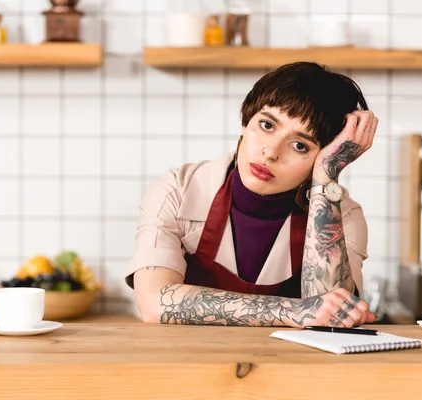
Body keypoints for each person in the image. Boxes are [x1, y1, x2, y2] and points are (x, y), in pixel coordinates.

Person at [125, 62, 379, 328]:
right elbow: (154, 303)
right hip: (185, 363)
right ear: (246, 123)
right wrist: (294, 310)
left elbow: (333, 322)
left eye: (300, 145)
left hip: (291, 367)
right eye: (267, 125)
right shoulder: (178, 190)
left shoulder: (343, 217)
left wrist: (327, 174)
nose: (271, 152)